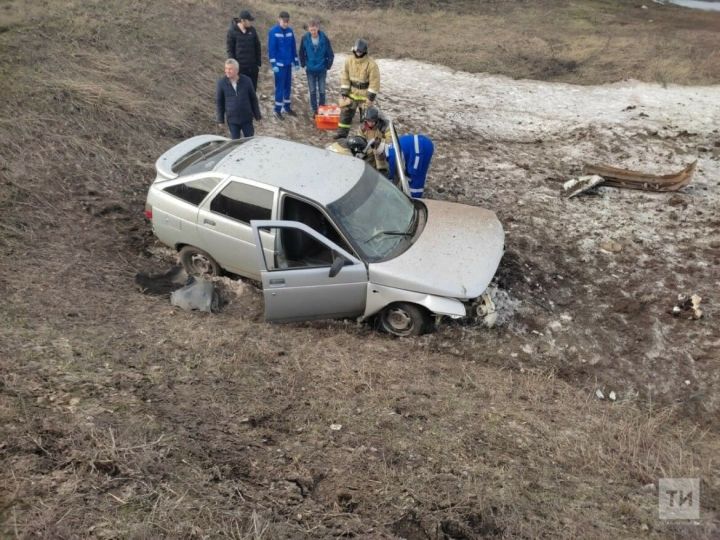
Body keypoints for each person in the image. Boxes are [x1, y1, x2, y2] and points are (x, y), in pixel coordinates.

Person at [335, 38, 380, 139]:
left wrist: (370, 97)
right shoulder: (349, 60)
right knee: (345, 116)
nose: (358, 53)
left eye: (360, 51)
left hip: (364, 97)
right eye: (357, 51)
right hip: (351, 94)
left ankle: (364, 138)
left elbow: (374, 82)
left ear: (364, 51)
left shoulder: (371, 64)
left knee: (366, 118)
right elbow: (345, 76)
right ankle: (342, 135)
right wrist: (344, 92)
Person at [216, 59, 261, 139]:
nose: (227, 71)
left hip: (246, 118)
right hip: (232, 120)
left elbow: (253, 99)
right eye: (226, 68)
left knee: (249, 141)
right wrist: (220, 120)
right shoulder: (221, 83)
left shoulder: (247, 81)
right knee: (235, 143)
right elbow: (220, 103)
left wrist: (257, 116)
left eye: (230, 69)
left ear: (237, 70)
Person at [268, 11, 300, 119]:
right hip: (279, 66)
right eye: (284, 21)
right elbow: (272, 49)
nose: (285, 23)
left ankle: (287, 107)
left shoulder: (290, 31)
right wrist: (273, 64)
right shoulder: (273, 31)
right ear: (279, 19)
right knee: (280, 87)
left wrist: (296, 62)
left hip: (288, 64)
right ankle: (277, 110)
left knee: (287, 86)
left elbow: (293, 47)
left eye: (287, 21)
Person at [299, 19, 334, 115]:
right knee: (312, 91)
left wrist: (328, 65)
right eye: (311, 30)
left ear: (317, 28)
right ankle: (315, 110)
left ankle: (321, 109)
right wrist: (303, 63)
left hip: (322, 69)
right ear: (308, 30)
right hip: (310, 69)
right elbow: (301, 52)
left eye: (314, 30)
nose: (313, 32)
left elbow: (330, 53)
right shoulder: (305, 38)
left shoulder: (324, 38)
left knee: (322, 90)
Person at [386, 134, 435, 198]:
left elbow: (390, 176)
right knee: (411, 174)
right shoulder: (389, 150)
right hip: (417, 146)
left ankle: (414, 200)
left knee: (416, 176)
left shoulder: (390, 158)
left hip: (420, 150)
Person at [226, 10, 262, 91]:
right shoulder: (232, 31)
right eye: (249, 20)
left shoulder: (252, 30)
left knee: (252, 91)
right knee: (241, 92)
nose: (251, 22)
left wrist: (258, 63)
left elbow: (257, 46)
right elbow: (230, 50)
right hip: (240, 70)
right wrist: (234, 68)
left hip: (252, 68)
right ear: (242, 21)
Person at [358, 107, 391, 174]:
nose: (370, 123)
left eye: (373, 121)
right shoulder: (362, 128)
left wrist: (380, 142)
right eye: (368, 121)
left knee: (379, 152)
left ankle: (382, 170)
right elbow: (360, 138)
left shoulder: (383, 126)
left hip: (382, 150)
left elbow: (390, 139)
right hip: (368, 150)